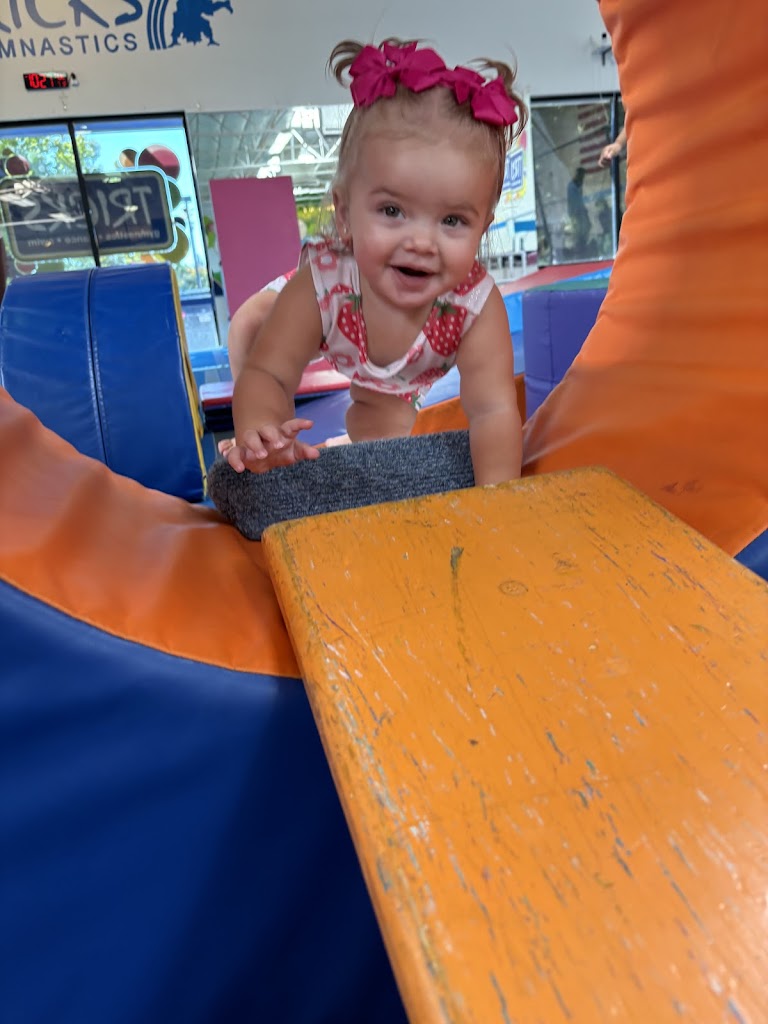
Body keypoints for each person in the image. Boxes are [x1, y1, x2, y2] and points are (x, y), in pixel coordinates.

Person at [223, 37, 526, 487]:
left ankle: (361, 426)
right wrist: (261, 427)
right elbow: (269, 371)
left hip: (398, 366)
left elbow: (494, 410)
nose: (421, 242)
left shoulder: (474, 307)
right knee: (252, 330)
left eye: (452, 220)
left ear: (483, 227)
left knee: (382, 426)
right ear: (345, 214)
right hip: (346, 293)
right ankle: (265, 437)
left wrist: (499, 499)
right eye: (392, 210)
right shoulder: (324, 283)